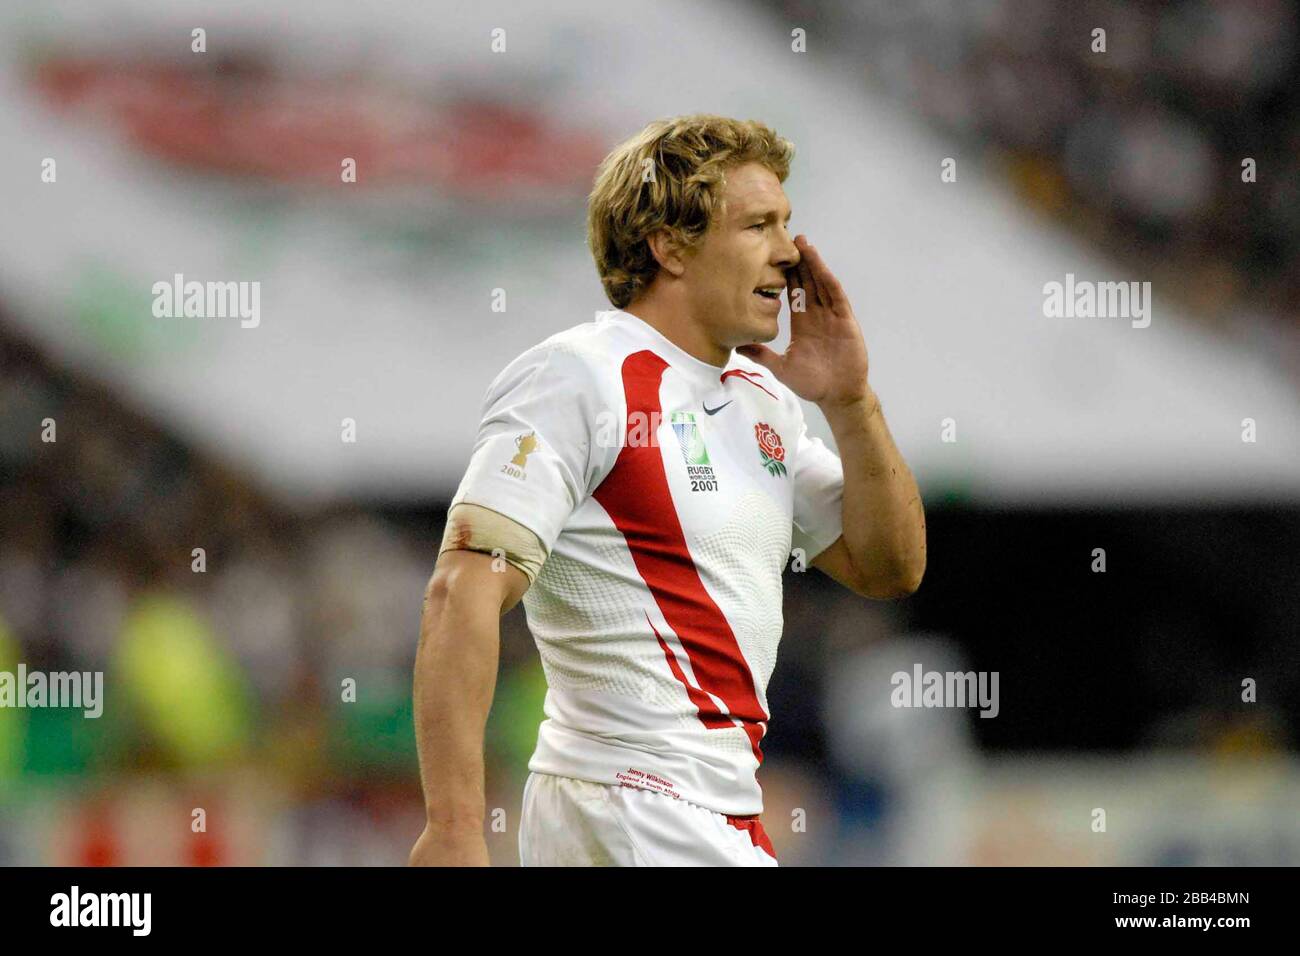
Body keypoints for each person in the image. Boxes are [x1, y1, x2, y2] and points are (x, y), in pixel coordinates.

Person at [410, 114, 926, 866]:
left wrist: (851, 403)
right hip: (630, 802)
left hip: (713, 809)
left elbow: (890, 567)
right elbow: (461, 592)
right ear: (669, 245)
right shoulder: (579, 375)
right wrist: (454, 828)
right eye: (758, 225)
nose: (789, 255)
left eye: (787, 224)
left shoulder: (762, 398)